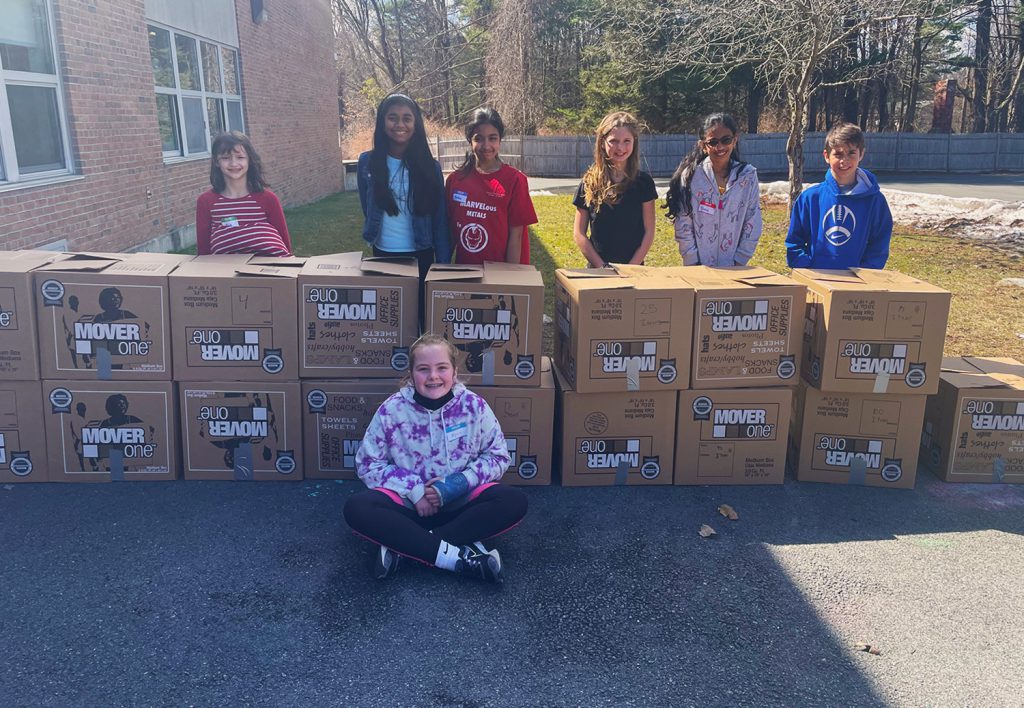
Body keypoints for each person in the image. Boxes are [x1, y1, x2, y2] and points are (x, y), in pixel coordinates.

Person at [344, 334, 527, 583]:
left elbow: (498, 456)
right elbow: (367, 463)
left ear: (454, 371)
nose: (433, 377)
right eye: (423, 369)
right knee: (358, 507)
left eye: (442, 368)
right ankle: (458, 558)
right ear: (411, 374)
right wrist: (414, 490)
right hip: (408, 507)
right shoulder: (392, 409)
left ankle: (407, 548)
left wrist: (455, 484)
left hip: (461, 506)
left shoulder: (474, 406)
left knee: (513, 500)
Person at [358, 94, 450, 329]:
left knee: (424, 320)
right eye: (393, 118)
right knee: (389, 323)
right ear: (382, 122)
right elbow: (366, 205)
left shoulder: (431, 166)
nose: (400, 124)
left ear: (416, 123)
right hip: (384, 254)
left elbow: (440, 220)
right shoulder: (367, 162)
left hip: (422, 255)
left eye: (407, 118)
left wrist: (444, 264)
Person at [785, 123, 893, 269]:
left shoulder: (875, 201)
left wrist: (865, 275)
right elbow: (794, 243)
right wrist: (807, 269)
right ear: (826, 156)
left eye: (851, 153)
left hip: (857, 285)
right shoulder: (810, 198)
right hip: (817, 281)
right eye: (838, 154)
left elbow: (879, 246)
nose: (844, 160)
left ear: (861, 154)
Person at [665, 113, 763, 266]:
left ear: (735, 140)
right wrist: (692, 261)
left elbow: (753, 219)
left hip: (736, 266)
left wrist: (740, 260)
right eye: (713, 142)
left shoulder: (747, 176)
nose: (720, 147)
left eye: (726, 140)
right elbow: (683, 222)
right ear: (703, 146)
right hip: (698, 268)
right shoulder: (691, 177)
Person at [446, 108, 538, 265]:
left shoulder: (515, 180)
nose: (486, 145)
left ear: (500, 140)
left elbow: (516, 234)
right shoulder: (455, 180)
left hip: (500, 274)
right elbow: (449, 231)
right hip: (465, 272)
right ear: (470, 141)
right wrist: (444, 269)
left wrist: (509, 277)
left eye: (492, 138)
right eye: (479, 138)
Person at [572, 111, 657, 267]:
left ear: (634, 142)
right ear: (602, 143)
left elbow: (649, 232)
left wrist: (631, 268)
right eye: (614, 141)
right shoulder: (589, 183)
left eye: (626, 141)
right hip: (598, 270)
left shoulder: (643, 183)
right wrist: (601, 266)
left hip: (633, 270)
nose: (620, 147)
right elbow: (579, 234)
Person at [195, 132, 293, 256]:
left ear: (249, 160)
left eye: (240, 157)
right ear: (216, 162)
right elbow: (203, 252)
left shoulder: (267, 199)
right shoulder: (206, 201)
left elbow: (285, 243)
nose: (233, 163)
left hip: (268, 270)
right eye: (226, 158)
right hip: (224, 271)